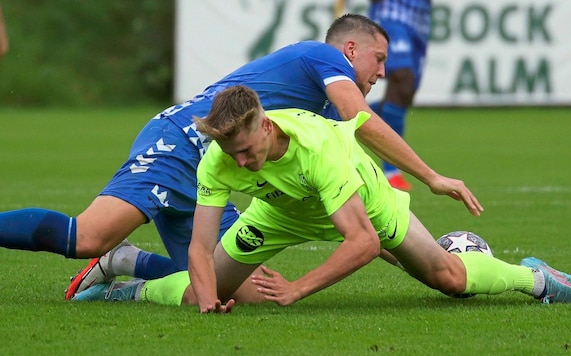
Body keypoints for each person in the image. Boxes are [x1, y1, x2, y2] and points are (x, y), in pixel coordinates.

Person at [0, 14, 480, 301]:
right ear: (350, 48)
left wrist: (421, 257)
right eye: (378, 58)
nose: (381, 71)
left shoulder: (322, 116)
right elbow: (367, 123)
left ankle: (127, 265)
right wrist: (432, 176)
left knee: (239, 291)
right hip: (184, 142)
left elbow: (357, 205)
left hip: (219, 166)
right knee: (89, 235)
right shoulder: (324, 58)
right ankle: (106, 251)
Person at [73, 85, 571, 311]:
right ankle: (127, 287)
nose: (238, 161)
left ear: (264, 125)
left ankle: (538, 279)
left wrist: (297, 290)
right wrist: (209, 297)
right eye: (229, 153)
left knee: (451, 279)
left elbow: (364, 242)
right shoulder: (220, 156)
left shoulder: (317, 148)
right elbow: (201, 243)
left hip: (366, 205)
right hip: (278, 213)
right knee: (198, 292)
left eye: (245, 150)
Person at [368, 0, 432, 191]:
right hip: (391, 14)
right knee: (402, 79)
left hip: (419, 18)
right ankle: (391, 171)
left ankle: (346, 115)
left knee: (406, 93)